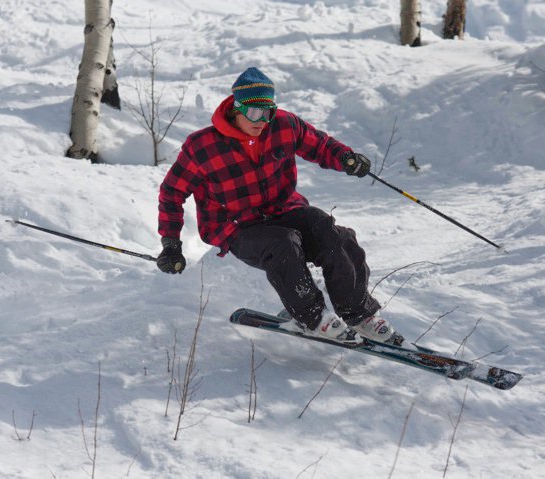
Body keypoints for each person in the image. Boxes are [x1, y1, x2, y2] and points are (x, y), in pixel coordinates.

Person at [156, 67, 400, 344]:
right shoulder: (202, 146)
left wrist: (345, 157)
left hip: (284, 210)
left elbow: (319, 145)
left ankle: (358, 314)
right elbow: (171, 193)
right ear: (237, 109)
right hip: (237, 225)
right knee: (283, 243)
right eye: (254, 113)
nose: (262, 121)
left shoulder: (283, 125)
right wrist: (171, 243)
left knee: (334, 233)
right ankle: (312, 317)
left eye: (268, 112)